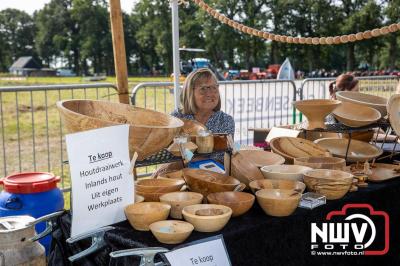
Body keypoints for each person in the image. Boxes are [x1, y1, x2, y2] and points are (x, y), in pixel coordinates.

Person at [171, 68, 235, 136]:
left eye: (214, 88)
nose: (209, 94)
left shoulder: (225, 121)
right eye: (203, 88)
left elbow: (227, 146)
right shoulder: (176, 118)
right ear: (190, 92)